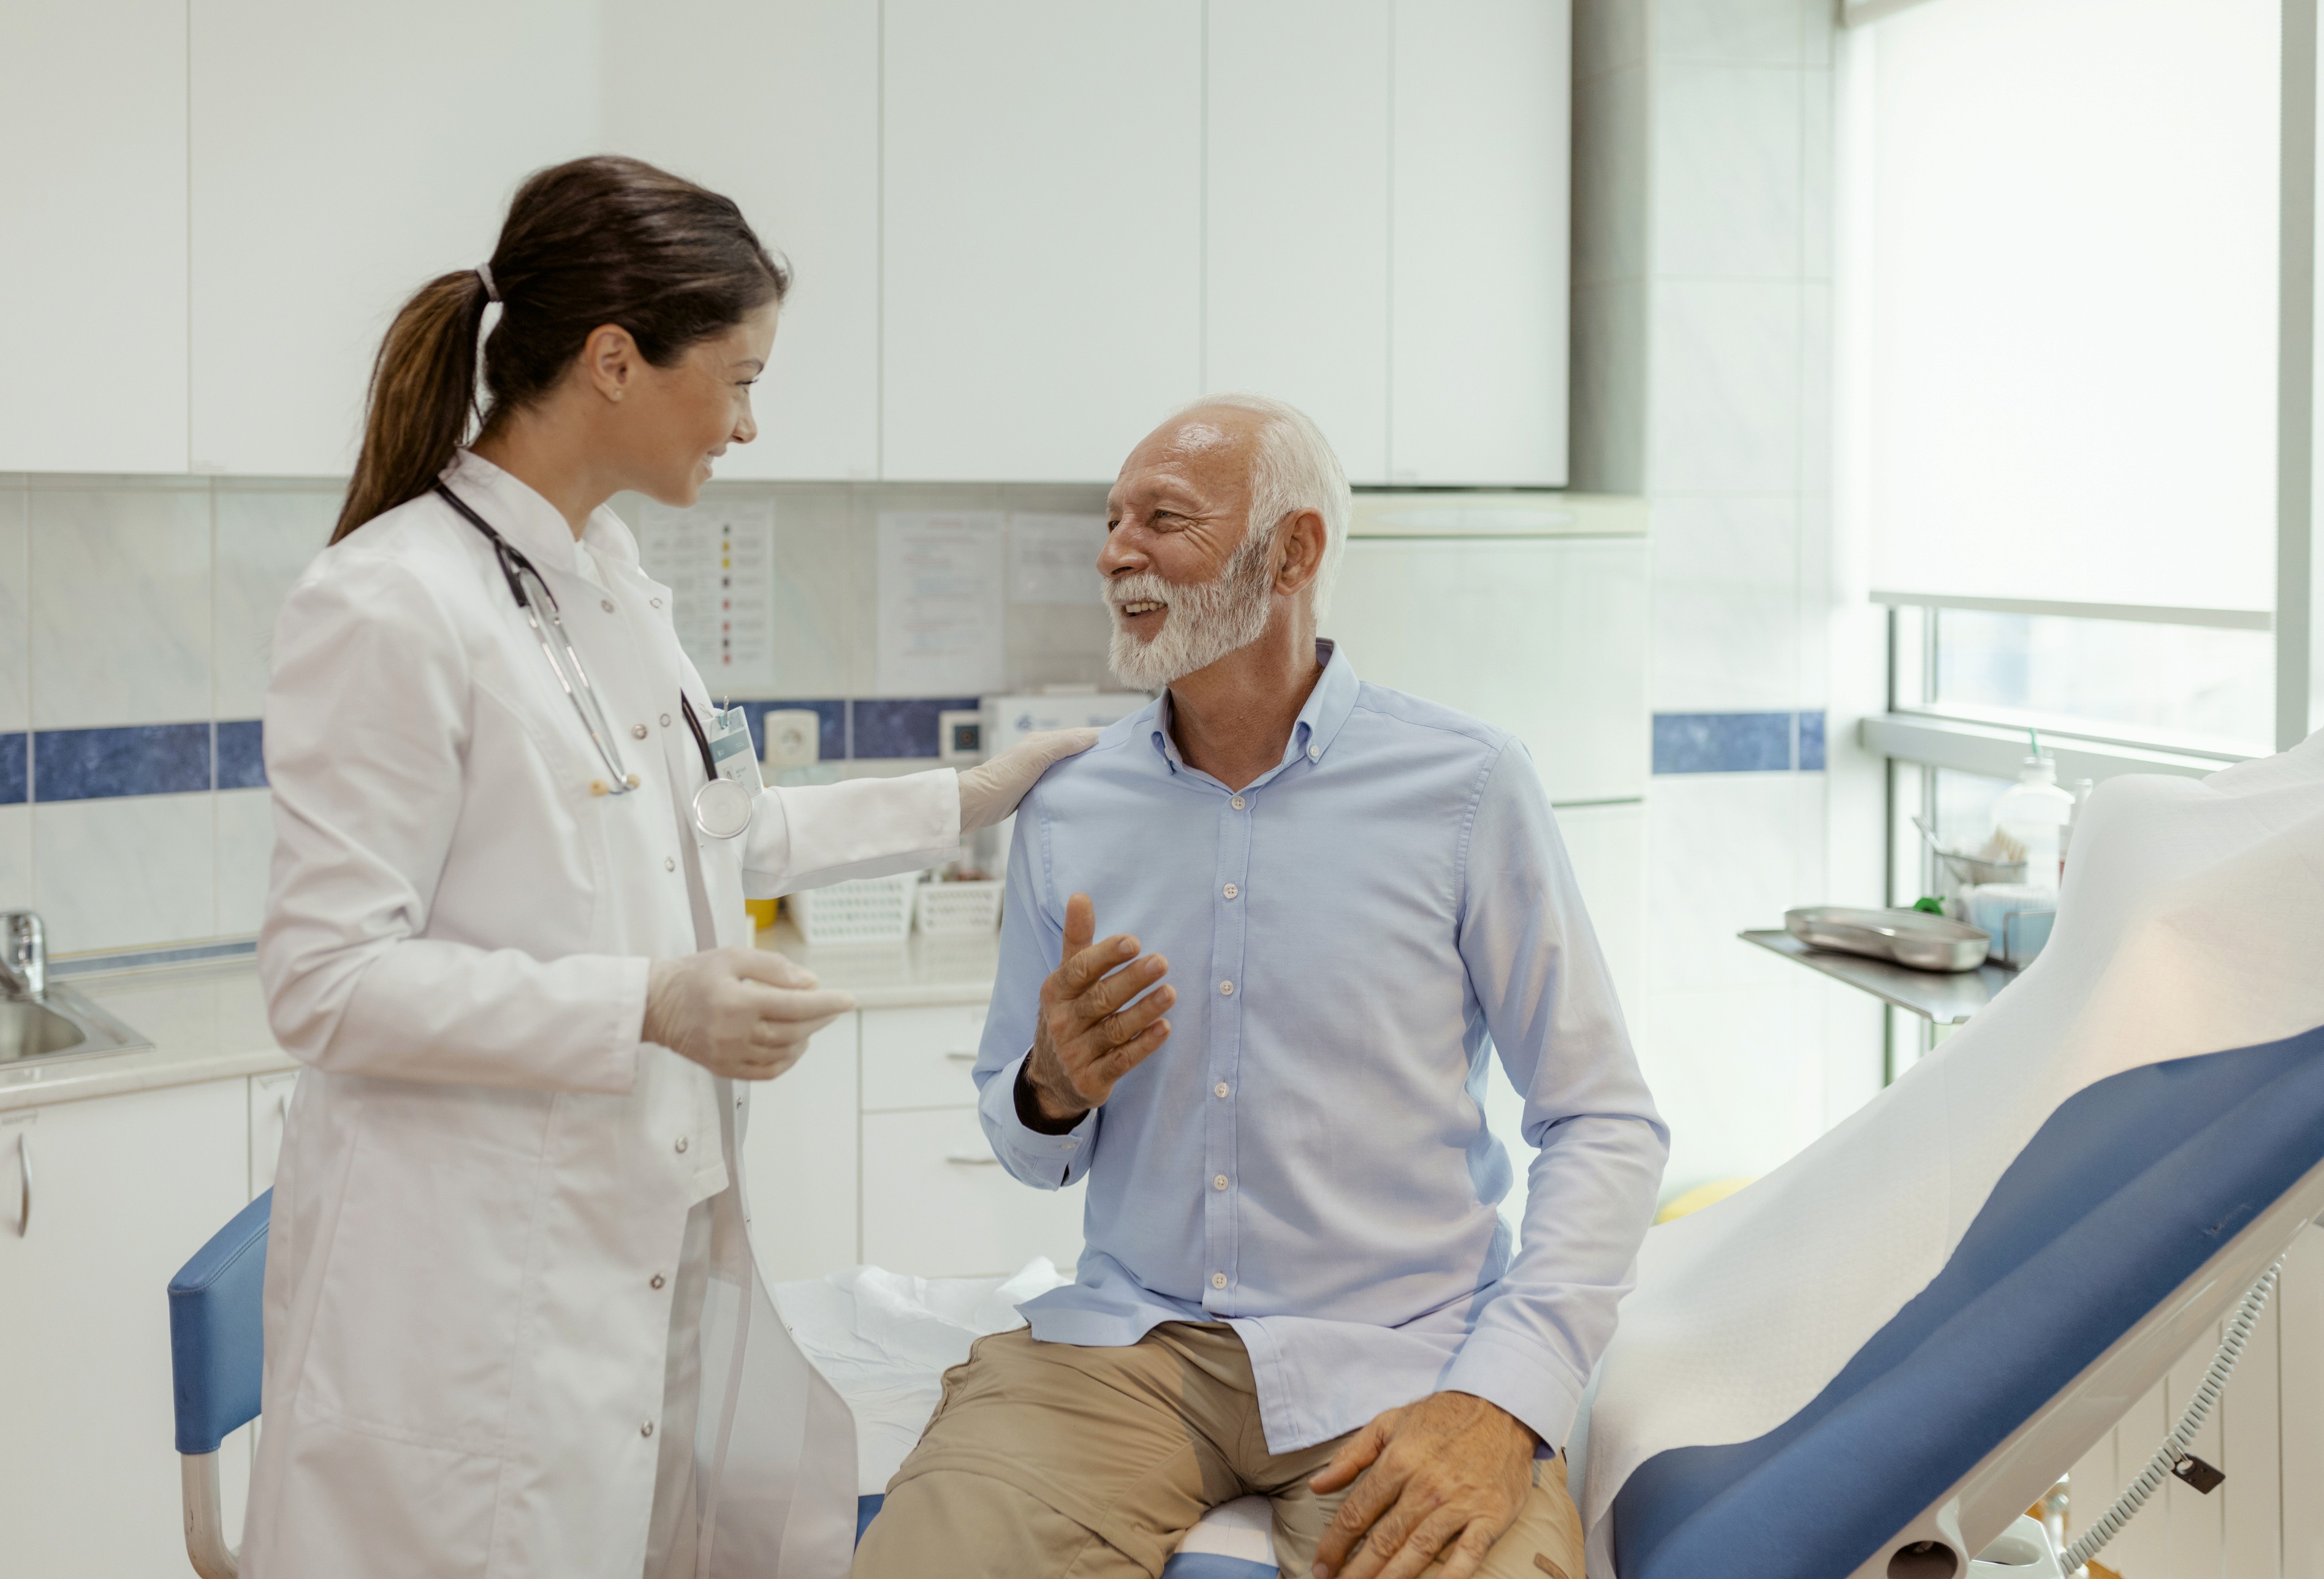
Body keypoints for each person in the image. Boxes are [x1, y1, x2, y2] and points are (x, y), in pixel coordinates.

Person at [241, 156, 1089, 1578]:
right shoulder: (390, 600)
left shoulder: (607, 578)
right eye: (739, 376)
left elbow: (722, 830)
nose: (751, 423)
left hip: (632, 1250)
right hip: (468, 1297)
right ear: (615, 361)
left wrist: (966, 798)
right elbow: (325, 984)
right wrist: (648, 1001)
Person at [852, 395, 1668, 1579]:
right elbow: (1028, 1144)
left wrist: (1509, 1394)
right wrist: (1048, 1087)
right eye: (1114, 518)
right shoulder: (1072, 807)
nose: (1115, 550)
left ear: (1293, 553)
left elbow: (1604, 1118)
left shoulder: (1467, 785)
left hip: (1403, 1354)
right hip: (1128, 1353)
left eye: (1164, 518)